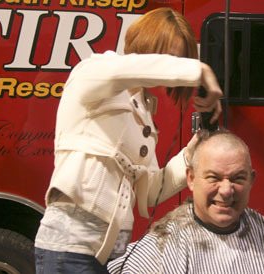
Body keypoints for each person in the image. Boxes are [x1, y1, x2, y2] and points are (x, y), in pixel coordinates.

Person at [34, 7, 223, 274]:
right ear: (143, 43)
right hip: (71, 249)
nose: (171, 66)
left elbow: (152, 189)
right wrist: (198, 69)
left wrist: (194, 150)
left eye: (178, 58)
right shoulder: (93, 72)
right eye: (167, 56)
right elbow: (124, 69)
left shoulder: (144, 112)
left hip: (112, 254)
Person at [108, 130, 264, 274]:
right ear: (191, 179)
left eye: (237, 178)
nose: (226, 190)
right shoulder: (160, 252)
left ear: (252, 180)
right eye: (213, 178)